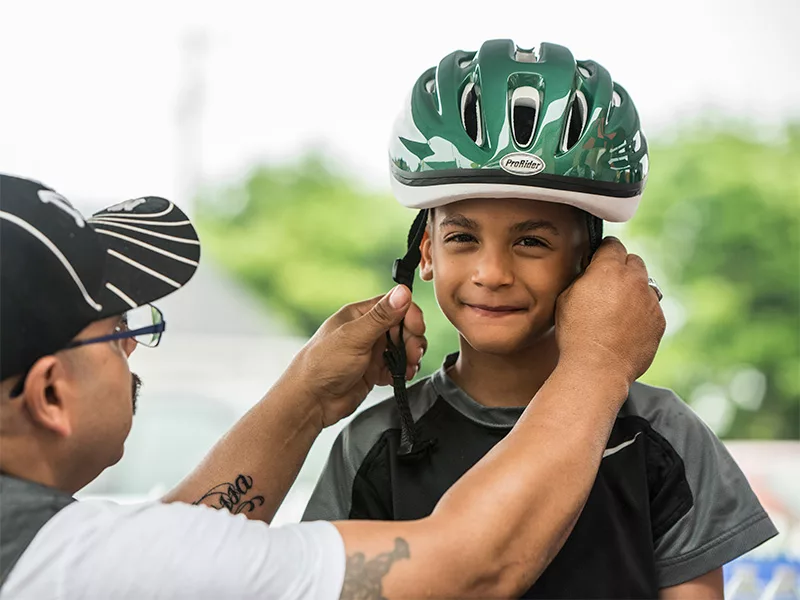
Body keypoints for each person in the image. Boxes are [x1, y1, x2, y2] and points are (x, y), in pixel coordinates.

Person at [0, 172, 663, 600]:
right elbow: (473, 566)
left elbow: (174, 554)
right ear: (50, 393)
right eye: (119, 329)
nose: (131, 350)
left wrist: (309, 396)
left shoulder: (49, 557)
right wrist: (598, 363)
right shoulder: (61, 562)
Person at [303, 39, 778, 598]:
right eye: (461, 237)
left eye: (531, 240)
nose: (492, 272)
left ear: (592, 263)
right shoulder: (374, 444)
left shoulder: (663, 435)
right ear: (425, 253)